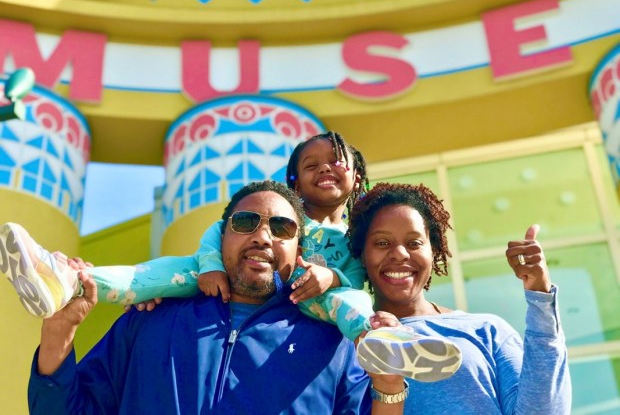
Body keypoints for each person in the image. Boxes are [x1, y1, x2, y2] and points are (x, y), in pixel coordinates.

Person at [1, 131, 462, 381]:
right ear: (293, 183)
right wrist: (211, 268)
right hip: (216, 277)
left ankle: (379, 345)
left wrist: (332, 282)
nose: (325, 167)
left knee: (357, 308)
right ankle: (67, 280)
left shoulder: (355, 235)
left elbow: (359, 280)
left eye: (337, 161)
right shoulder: (269, 212)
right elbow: (212, 237)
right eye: (311, 164)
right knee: (156, 274)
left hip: (314, 303)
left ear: (357, 179)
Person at [26, 181, 409, 415]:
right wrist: (59, 331)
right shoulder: (149, 318)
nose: (262, 236)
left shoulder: (335, 345)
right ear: (220, 238)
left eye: (281, 227)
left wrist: (390, 388)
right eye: (245, 223)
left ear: (299, 249)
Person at [347, 182, 572, 414]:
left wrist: (541, 296)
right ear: (361, 254)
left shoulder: (486, 330)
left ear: (433, 253)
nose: (400, 254)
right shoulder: (348, 342)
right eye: (382, 243)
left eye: (414, 243)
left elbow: (543, 410)